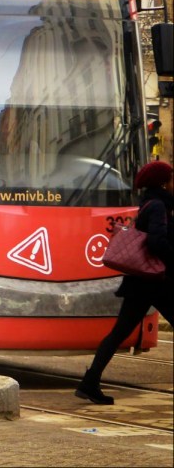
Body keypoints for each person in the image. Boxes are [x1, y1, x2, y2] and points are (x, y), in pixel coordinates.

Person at [76, 160, 174, 405]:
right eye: (172, 178)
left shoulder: (150, 203)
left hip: (141, 282)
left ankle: (90, 382)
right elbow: (157, 242)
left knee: (118, 333)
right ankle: (89, 382)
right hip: (154, 281)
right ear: (164, 182)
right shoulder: (159, 206)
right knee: (118, 333)